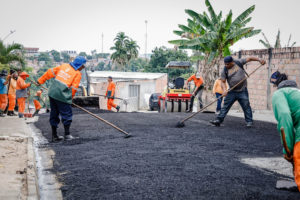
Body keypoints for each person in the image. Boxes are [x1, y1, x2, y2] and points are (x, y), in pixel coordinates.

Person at [37, 56, 86, 141]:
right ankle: (67, 135)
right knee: (67, 113)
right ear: (79, 65)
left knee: (54, 113)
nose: (83, 67)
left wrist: (40, 81)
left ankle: (54, 136)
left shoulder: (64, 66)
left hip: (52, 92)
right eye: (83, 65)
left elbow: (50, 72)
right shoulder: (77, 73)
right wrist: (70, 99)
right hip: (62, 95)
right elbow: (74, 89)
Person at [210, 56, 265, 127]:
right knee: (225, 106)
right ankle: (218, 120)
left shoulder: (239, 62)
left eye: (228, 64)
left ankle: (249, 122)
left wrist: (260, 59)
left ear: (232, 62)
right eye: (225, 64)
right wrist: (224, 90)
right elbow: (223, 81)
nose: (226, 65)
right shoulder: (224, 70)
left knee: (246, 106)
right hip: (232, 91)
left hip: (242, 90)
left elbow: (250, 58)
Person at [270, 71, 300, 191]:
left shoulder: (279, 93)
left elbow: (284, 116)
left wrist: (288, 150)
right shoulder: (297, 92)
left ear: (276, 85)